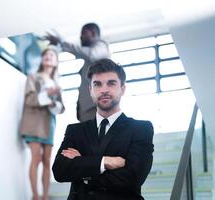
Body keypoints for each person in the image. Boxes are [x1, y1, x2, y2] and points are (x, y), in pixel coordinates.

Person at [52, 58, 154, 200]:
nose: (104, 90)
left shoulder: (141, 129)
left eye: (111, 83)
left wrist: (83, 166)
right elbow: (59, 171)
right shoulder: (75, 131)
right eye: (97, 84)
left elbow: (133, 178)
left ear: (123, 88)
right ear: (90, 90)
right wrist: (105, 162)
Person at [20, 48, 65, 200]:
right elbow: (29, 99)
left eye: (52, 55)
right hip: (34, 122)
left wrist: (54, 102)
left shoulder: (56, 82)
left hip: (49, 123)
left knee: (47, 161)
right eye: (45, 54)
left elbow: (60, 107)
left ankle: (45, 197)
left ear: (56, 62)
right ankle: (35, 196)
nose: (48, 57)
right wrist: (48, 95)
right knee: (36, 158)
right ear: (41, 59)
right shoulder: (33, 77)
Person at [46, 23, 110, 122]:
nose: (80, 37)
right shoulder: (88, 61)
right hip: (86, 111)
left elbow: (91, 54)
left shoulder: (102, 47)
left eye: (84, 33)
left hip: (96, 110)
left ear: (93, 33)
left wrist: (62, 42)